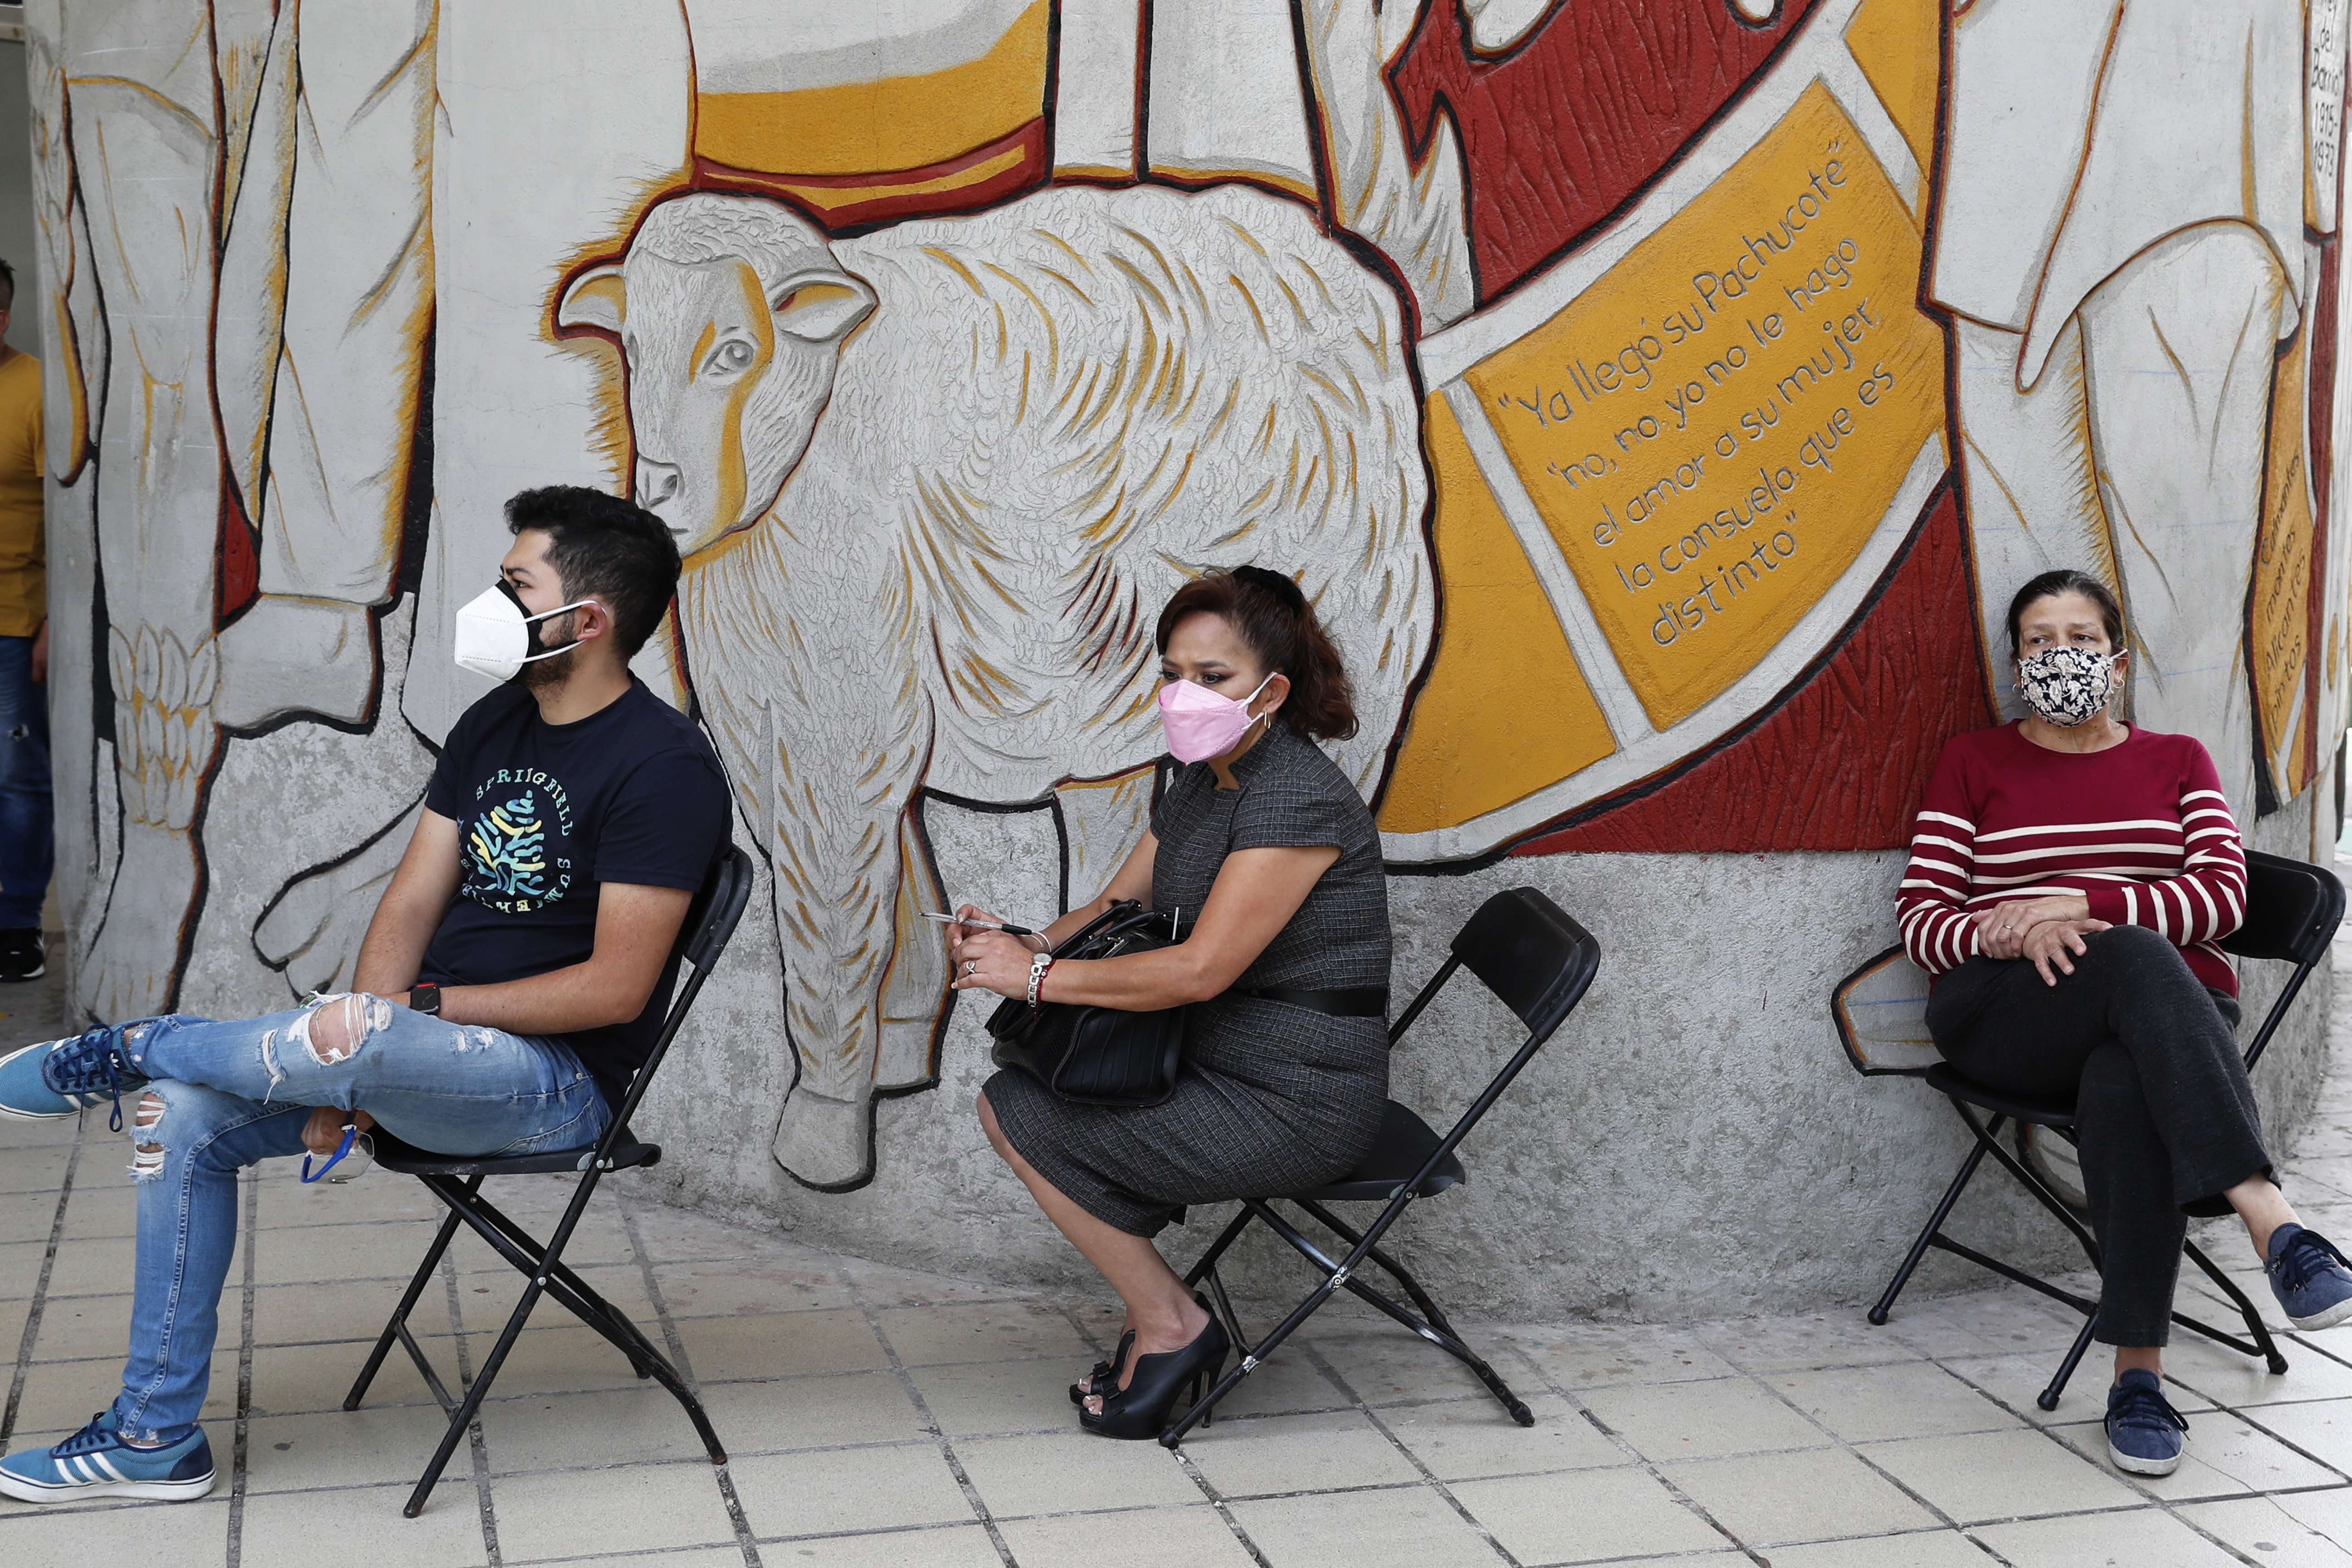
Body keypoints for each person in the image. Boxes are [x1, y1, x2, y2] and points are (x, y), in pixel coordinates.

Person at [0, 486, 730, 1502]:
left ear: (589, 620)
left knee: (352, 1029)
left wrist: (400, 1026)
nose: (491, 600)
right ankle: (153, 1439)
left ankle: (133, 1045)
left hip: (554, 1086)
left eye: (516, 585)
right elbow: (409, 903)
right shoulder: (495, 724)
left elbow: (616, 990)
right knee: (184, 1114)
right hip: (405, 1054)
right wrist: (352, 1074)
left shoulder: (662, 767)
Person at [1896, 568, 2352, 1481]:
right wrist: (2005, 929)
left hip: (2168, 1026)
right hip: (2010, 1013)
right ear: (2017, 662)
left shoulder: (2179, 760)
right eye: (2037, 640)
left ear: (2117, 656)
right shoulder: (1972, 763)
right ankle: (2270, 1217)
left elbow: (2226, 895)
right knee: (2141, 951)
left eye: (2079, 636)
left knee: (2123, 1069)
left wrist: (2083, 900)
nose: (2059, 654)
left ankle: (2136, 1378)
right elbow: (1920, 920)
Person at [954, 566, 1392, 1440]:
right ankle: (1156, 1315)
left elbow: (1199, 972)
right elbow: (1123, 903)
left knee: (1014, 1109)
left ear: (1273, 689)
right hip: (1217, 1059)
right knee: (1022, 1098)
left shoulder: (1294, 797)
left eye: (1213, 678)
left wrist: (1034, 981)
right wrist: (1031, 940)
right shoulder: (1202, 775)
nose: (1183, 695)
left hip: (1296, 1099)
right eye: (1173, 673)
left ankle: (1172, 1324)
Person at [0, 258, 49, 982]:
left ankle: (16, 926)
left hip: (15, 621)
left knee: (15, 776)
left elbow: (73, 516)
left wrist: (54, 626)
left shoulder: (38, 389)